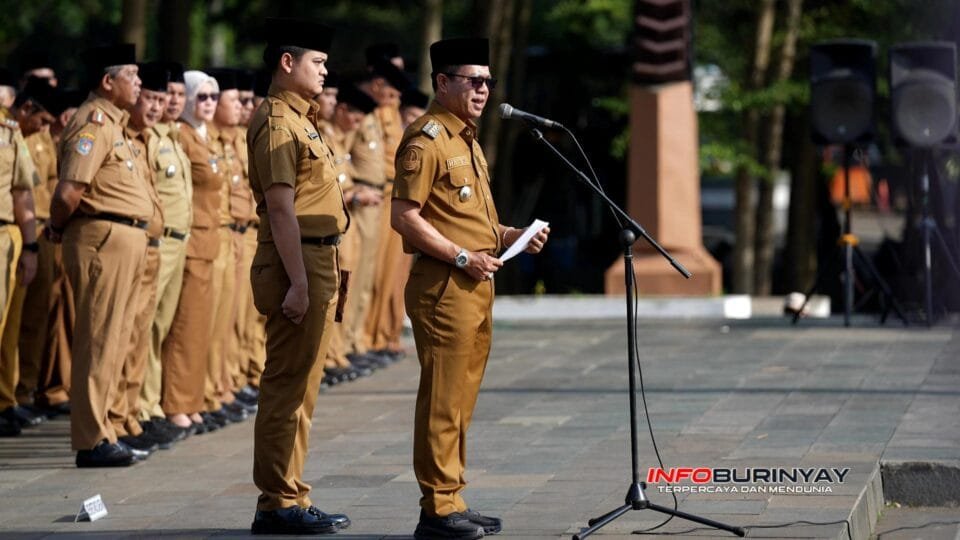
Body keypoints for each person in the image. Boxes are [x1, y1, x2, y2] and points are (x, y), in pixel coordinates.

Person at [391, 37, 550, 539]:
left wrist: (511, 236)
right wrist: (461, 255)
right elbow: (404, 217)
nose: (483, 89)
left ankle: (452, 496)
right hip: (444, 286)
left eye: (488, 81)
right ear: (442, 82)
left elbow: (470, 218)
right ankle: (436, 509)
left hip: (477, 282)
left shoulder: (468, 140)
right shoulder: (427, 139)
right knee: (442, 398)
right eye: (472, 80)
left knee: (461, 398)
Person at [246, 17, 351, 535]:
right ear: (286, 64)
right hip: (297, 261)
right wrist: (299, 283)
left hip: (316, 258)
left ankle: (290, 493)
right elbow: (282, 209)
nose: (326, 71)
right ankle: (277, 501)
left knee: (304, 387)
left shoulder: (302, 119)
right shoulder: (278, 123)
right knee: (288, 385)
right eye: (318, 61)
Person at [48, 43, 150, 467]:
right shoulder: (94, 122)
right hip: (102, 239)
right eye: (132, 75)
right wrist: (55, 227)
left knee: (115, 340)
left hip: (122, 239)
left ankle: (104, 430)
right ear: (108, 82)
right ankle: (91, 439)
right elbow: (70, 191)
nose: (139, 83)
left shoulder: (115, 123)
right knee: (98, 338)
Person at [107, 61, 171, 458]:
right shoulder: (115, 134)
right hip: (121, 243)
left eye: (158, 99)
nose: (154, 106)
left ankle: (128, 415)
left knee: (138, 336)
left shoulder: (145, 138)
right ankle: (112, 420)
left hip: (149, 246)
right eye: (148, 97)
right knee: (117, 337)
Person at [161, 70, 224, 435]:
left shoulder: (205, 136)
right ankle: (176, 404)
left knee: (202, 328)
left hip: (210, 240)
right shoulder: (182, 136)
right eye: (201, 96)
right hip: (191, 243)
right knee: (184, 328)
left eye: (214, 96)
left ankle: (193, 400)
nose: (209, 103)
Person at [139, 62, 193, 444]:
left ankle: (151, 405)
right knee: (145, 327)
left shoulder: (172, 137)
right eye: (160, 96)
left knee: (160, 327)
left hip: (180, 241)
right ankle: (141, 409)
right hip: (158, 241)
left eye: (173, 96)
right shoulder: (149, 139)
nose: (167, 104)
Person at [0, 73, 39, 438]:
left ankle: (5, 399)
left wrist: (29, 246)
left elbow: (22, 193)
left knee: (7, 325)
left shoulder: (8, 132)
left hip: (3, 235)